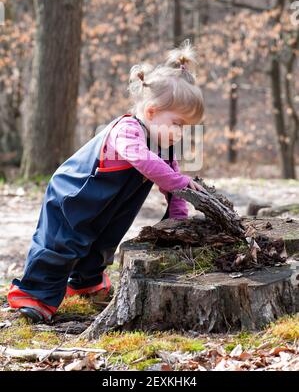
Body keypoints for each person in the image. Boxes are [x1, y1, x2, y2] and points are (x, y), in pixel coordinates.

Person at [7, 38, 205, 323]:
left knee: (103, 241)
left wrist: (178, 216)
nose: (181, 133)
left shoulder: (164, 145)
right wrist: (179, 182)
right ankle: (35, 294)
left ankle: (86, 282)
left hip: (108, 205)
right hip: (74, 194)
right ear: (151, 112)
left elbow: (170, 182)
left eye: (186, 128)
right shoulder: (127, 130)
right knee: (64, 243)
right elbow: (145, 162)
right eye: (178, 124)